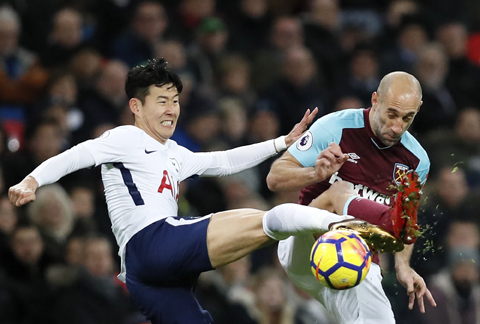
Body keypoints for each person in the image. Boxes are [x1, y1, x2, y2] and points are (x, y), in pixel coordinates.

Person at [8, 58, 387, 324]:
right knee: (265, 221)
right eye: (162, 100)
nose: (171, 109)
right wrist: (32, 180)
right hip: (154, 242)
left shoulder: (175, 153)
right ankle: (344, 224)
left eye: (175, 101)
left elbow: (222, 161)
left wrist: (280, 143)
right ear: (136, 107)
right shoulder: (124, 137)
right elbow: (76, 155)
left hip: (146, 277)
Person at [267, 71, 436, 323]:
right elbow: (275, 178)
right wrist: (315, 173)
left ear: (418, 110)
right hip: (306, 245)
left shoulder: (417, 161)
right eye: (391, 114)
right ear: (375, 99)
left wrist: (403, 266)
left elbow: (406, 220)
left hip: (356, 261)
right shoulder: (336, 126)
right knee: (340, 191)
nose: (397, 126)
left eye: (407, 118)